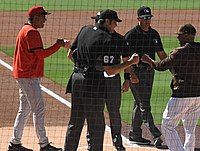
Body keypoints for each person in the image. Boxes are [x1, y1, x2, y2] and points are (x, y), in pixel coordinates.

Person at [64, 9, 139, 151]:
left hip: (76, 79)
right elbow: (110, 71)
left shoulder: (85, 30)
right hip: (93, 83)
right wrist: (130, 62)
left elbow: (70, 54)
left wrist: (84, 65)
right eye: (114, 22)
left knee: (75, 122)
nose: (116, 25)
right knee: (97, 125)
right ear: (107, 21)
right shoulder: (107, 39)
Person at [9, 5, 71, 151]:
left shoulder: (25, 30)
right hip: (28, 76)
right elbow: (41, 54)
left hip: (24, 75)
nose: (45, 19)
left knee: (24, 109)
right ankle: (44, 145)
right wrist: (58, 45)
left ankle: (15, 143)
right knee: (38, 109)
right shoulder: (31, 33)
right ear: (35, 17)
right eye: (43, 16)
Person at [141, 23, 200, 151]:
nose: (178, 38)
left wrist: (149, 61)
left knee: (167, 125)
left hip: (182, 94)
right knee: (190, 128)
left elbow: (161, 65)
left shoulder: (181, 51)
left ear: (187, 35)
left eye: (180, 35)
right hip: (198, 96)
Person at [124, 6, 167, 146]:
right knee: (144, 105)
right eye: (144, 18)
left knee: (140, 102)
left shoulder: (154, 34)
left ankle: (135, 134)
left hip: (150, 73)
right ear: (138, 19)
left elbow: (161, 54)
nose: (147, 21)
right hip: (136, 73)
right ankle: (156, 134)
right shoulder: (131, 35)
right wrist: (131, 75)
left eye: (149, 18)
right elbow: (125, 59)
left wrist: (172, 67)